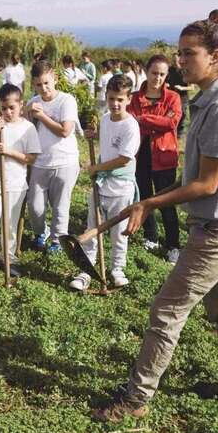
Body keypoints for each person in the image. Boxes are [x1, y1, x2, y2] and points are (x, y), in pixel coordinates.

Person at [93, 10, 218, 422]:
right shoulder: (209, 97)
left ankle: (136, 398)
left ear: (216, 56)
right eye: (179, 52)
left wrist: (149, 203)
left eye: (189, 53)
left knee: (166, 310)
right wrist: (149, 198)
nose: (180, 61)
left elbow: (206, 184)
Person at [69, 74, 140, 291]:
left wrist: (96, 168)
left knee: (118, 230)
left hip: (121, 186)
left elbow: (123, 159)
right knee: (93, 226)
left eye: (120, 99)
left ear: (128, 99)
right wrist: (95, 134)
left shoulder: (131, 126)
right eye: (111, 99)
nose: (115, 104)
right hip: (100, 184)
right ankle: (87, 270)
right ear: (106, 97)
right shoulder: (107, 118)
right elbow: (107, 138)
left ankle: (117, 269)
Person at [0, 83, 41, 280]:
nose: (8, 112)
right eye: (4, 108)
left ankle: (8, 258)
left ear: (21, 105)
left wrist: (9, 152)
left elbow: (31, 158)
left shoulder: (28, 128)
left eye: (12, 107)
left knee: (10, 226)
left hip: (15, 184)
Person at [128, 55, 182, 263]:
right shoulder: (134, 98)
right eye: (154, 73)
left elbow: (172, 123)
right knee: (143, 197)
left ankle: (173, 244)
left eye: (162, 74)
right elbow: (130, 123)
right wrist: (156, 121)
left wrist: (143, 119)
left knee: (166, 201)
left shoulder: (173, 98)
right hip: (140, 154)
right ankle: (151, 236)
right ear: (146, 72)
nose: (157, 78)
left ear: (166, 75)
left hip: (164, 156)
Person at [26, 60, 80, 253]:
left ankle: (58, 240)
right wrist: (30, 116)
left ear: (55, 78)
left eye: (47, 83)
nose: (44, 88)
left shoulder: (67, 101)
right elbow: (24, 129)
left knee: (60, 206)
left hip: (65, 161)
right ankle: (41, 231)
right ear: (33, 84)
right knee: (35, 206)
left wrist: (42, 117)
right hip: (40, 162)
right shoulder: (32, 103)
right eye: (39, 84)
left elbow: (65, 131)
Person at [167, 51, 194, 139]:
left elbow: (192, 87)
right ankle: (172, 132)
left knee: (182, 116)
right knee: (170, 115)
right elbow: (165, 81)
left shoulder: (185, 71)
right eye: (173, 60)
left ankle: (179, 135)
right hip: (171, 98)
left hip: (182, 98)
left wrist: (182, 88)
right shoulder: (169, 70)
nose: (174, 62)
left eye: (176, 60)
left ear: (179, 59)